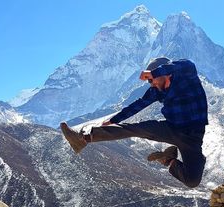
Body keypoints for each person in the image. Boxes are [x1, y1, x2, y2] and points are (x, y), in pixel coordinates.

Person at [60, 57, 208, 188]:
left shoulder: (186, 77)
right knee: (134, 129)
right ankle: (82, 138)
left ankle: (168, 160)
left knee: (192, 181)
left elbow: (188, 64)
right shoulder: (156, 90)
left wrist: (154, 73)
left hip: (192, 137)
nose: (151, 83)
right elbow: (137, 105)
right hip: (170, 128)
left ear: (164, 73)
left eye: (151, 79)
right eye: (149, 80)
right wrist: (113, 120)